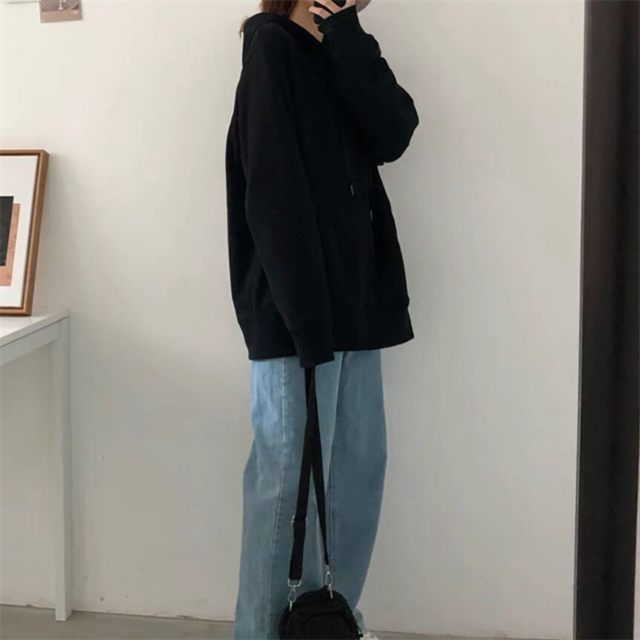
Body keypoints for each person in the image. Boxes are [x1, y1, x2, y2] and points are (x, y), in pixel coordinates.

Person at [225, 0, 418, 637]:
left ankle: (329, 626)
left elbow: (395, 131)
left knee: (357, 475)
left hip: (357, 309)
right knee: (287, 487)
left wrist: (345, 32)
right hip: (298, 317)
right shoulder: (272, 49)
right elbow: (271, 195)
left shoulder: (343, 45)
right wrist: (307, 325)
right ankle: (262, 632)